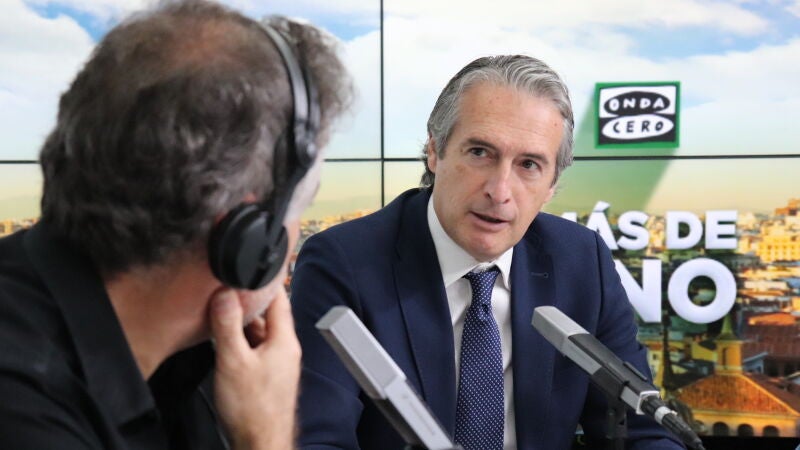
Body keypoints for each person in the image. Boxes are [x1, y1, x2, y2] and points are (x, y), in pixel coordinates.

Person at [0, 1, 351, 449]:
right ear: (247, 238)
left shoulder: (191, 370)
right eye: (303, 205)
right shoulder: (27, 416)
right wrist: (265, 436)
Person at [291, 55, 685, 449]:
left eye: (528, 164)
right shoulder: (343, 264)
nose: (500, 191)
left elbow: (645, 433)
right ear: (435, 151)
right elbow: (318, 439)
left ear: (551, 185)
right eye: (480, 152)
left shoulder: (581, 261)